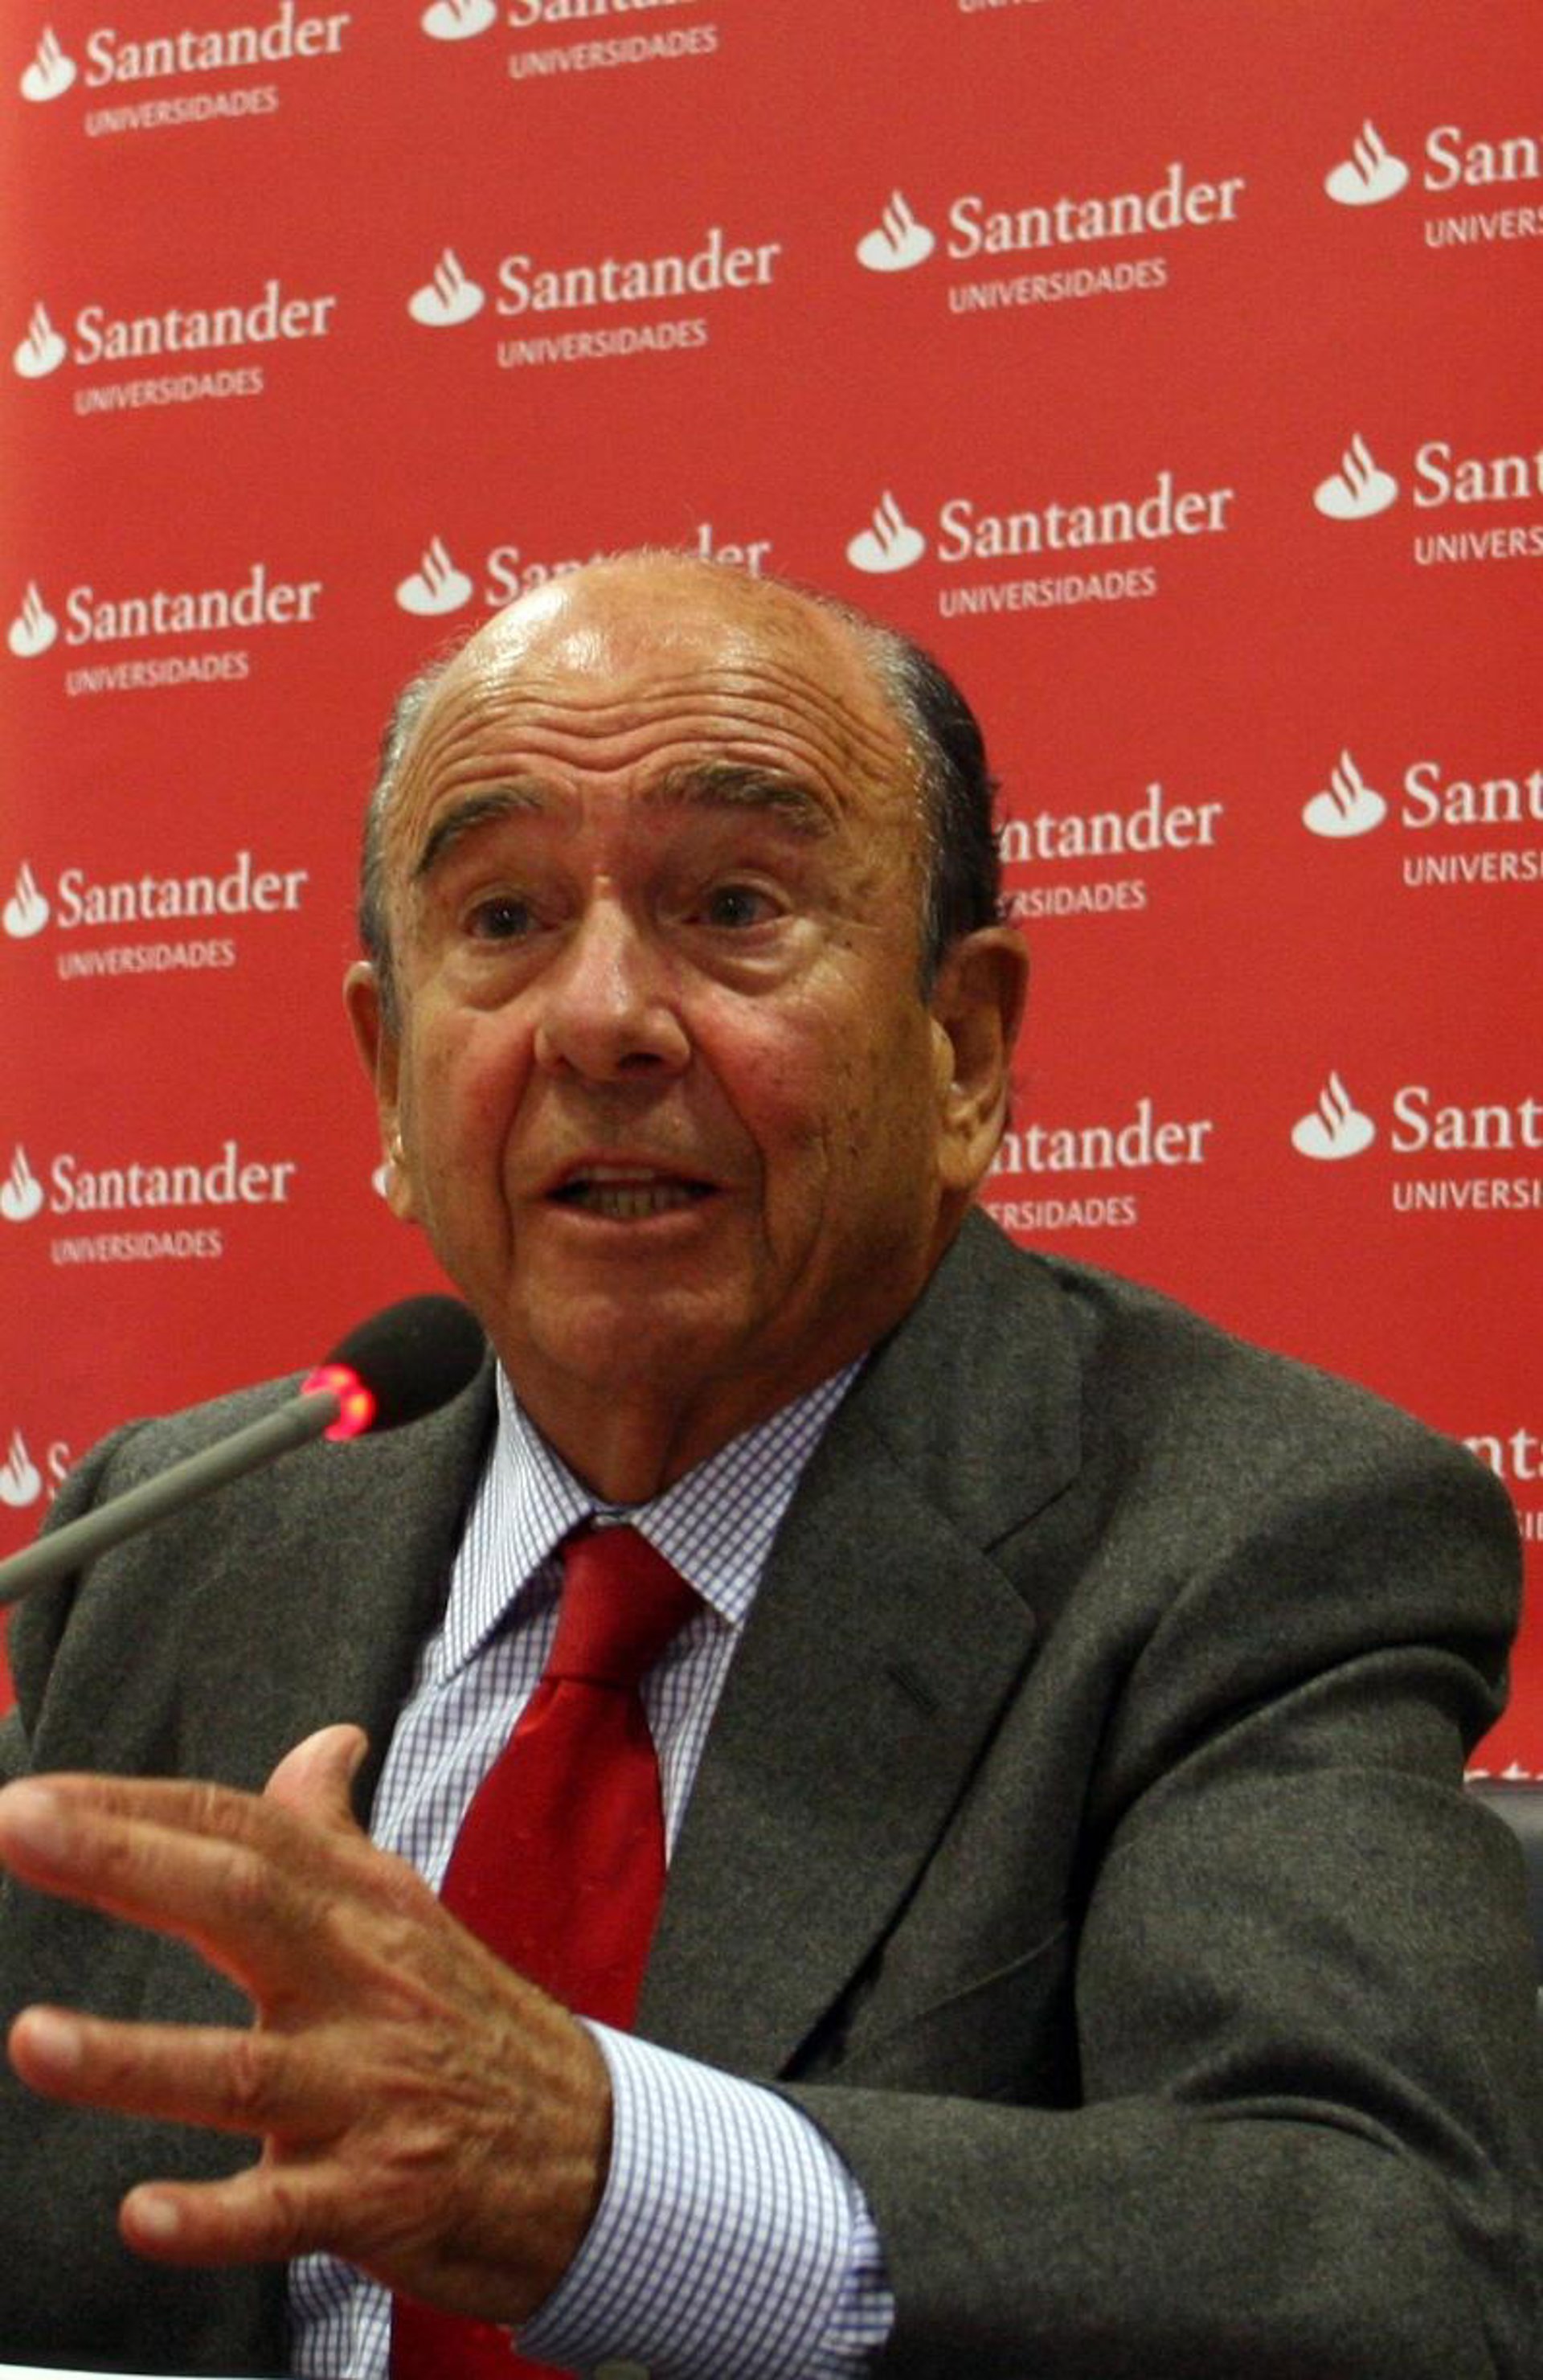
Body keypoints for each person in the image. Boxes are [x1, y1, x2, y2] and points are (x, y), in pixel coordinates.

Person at [1, 554, 1540, 2380]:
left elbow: (1394, 2259)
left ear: (964, 1051)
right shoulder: (168, 1542)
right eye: (501, 918)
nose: (600, 1018)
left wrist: (602, 2178)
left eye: (733, 904)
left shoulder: (1255, 1535)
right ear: (388, 1079)